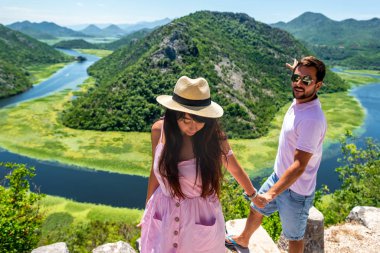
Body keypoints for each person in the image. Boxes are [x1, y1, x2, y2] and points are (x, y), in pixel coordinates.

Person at [139, 76, 261, 252]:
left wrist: (253, 195)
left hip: (199, 215)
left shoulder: (213, 137)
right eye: (185, 120)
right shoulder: (159, 130)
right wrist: (148, 210)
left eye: (199, 120)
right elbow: (155, 170)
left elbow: (233, 166)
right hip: (164, 211)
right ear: (174, 115)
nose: (192, 127)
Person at [225, 56, 327, 253]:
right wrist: (298, 69)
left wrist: (271, 194)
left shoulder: (312, 119)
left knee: (294, 237)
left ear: (318, 85)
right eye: (295, 77)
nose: (298, 83)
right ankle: (243, 240)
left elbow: (299, 166)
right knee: (256, 208)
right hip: (278, 176)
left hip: (297, 191)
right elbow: (301, 79)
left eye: (306, 81)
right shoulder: (301, 99)